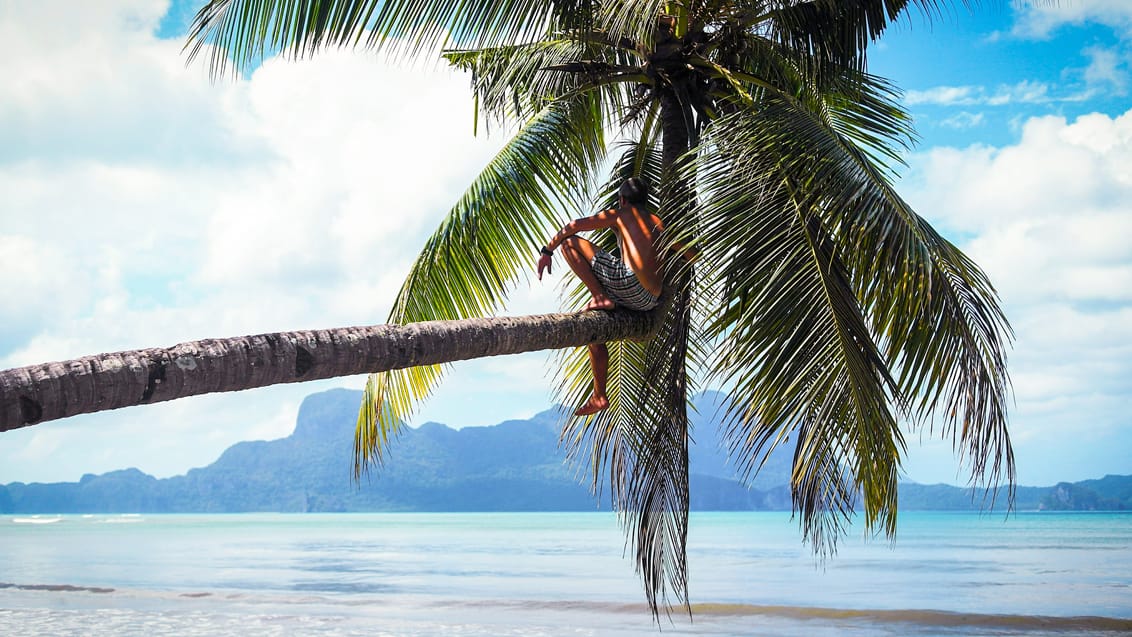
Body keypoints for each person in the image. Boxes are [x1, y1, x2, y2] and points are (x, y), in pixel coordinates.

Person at [536, 177, 666, 416]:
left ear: (622, 200)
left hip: (630, 286)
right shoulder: (658, 223)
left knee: (570, 244)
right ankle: (599, 395)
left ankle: (599, 295)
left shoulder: (620, 214)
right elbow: (688, 252)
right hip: (650, 300)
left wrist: (547, 251)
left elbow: (573, 226)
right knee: (597, 330)